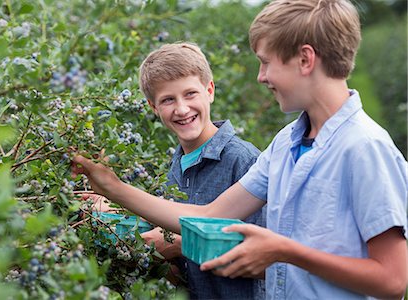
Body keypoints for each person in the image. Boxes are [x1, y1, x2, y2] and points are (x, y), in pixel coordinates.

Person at [71, 0, 408, 299]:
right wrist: (112, 187)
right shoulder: (286, 144)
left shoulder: (364, 148)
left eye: (266, 62)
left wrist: (285, 252)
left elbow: (393, 281)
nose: (261, 76)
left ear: (305, 59)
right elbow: (207, 216)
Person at [87, 42, 266, 299]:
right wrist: (117, 219)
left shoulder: (244, 161)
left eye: (190, 94)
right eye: (168, 100)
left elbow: (268, 263)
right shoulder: (179, 163)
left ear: (210, 91)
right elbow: (177, 262)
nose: (182, 109)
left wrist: (181, 245)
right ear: (153, 107)